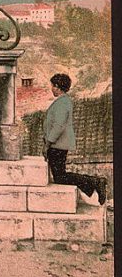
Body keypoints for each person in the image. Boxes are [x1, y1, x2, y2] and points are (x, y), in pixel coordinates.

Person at [43, 73, 106, 204]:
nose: (51, 89)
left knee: (60, 177)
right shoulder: (63, 101)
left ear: (57, 87)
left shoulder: (62, 102)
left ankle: (95, 182)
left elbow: (59, 125)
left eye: (52, 86)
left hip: (57, 145)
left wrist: (48, 143)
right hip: (58, 144)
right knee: (60, 176)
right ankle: (93, 182)